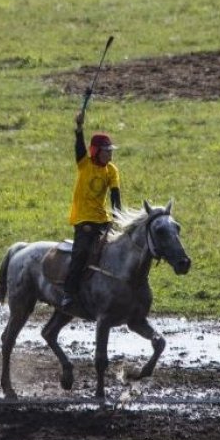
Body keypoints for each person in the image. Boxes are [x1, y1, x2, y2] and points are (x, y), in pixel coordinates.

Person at [60, 109, 121, 313]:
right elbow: (78, 147)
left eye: (111, 151)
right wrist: (79, 128)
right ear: (95, 151)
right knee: (81, 253)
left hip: (102, 219)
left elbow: (115, 196)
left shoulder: (111, 170)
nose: (110, 154)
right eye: (106, 151)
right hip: (83, 219)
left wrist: (117, 218)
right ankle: (69, 293)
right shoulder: (84, 163)